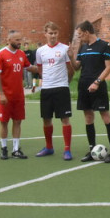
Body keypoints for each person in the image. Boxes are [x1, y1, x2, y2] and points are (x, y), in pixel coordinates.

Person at [73, 21, 110, 162]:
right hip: (83, 86)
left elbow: (109, 67)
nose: (79, 38)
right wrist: (69, 56)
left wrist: (97, 82)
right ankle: (92, 150)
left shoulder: (104, 45)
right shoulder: (83, 47)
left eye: (80, 35)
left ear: (86, 32)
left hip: (98, 86)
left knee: (105, 115)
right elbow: (76, 68)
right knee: (88, 117)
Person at [33, 21, 75, 160]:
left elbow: (71, 70)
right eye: (50, 33)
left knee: (65, 119)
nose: (53, 36)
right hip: (46, 89)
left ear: (58, 34)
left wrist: (65, 83)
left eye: (55, 33)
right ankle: (49, 147)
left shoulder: (65, 49)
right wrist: (46, 79)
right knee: (46, 119)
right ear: (45, 34)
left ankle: (67, 150)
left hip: (61, 88)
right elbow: (40, 70)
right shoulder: (40, 51)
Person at [0, 30, 30, 159]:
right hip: (5, 96)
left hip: (18, 95)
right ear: (8, 40)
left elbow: (29, 67)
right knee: (4, 122)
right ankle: (4, 148)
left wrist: (46, 68)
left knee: (18, 121)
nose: (19, 42)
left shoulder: (22, 54)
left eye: (20, 39)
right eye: (17, 40)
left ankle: (16, 149)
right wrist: (1, 94)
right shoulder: (1, 54)